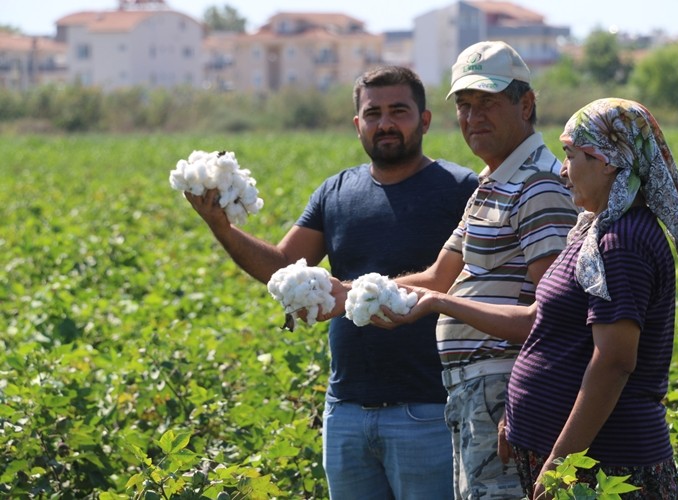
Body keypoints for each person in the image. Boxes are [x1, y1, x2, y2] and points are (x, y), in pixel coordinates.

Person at [380, 98, 678, 499]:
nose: (562, 170)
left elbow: (614, 362)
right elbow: (539, 322)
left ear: (606, 160)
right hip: (562, 455)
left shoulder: (623, 241)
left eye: (570, 155)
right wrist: (440, 302)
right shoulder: (591, 233)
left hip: (606, 465)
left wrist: (562, 461)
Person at [183, 66, 478, 500]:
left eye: (399, 111)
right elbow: (282, 265)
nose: (385, 123)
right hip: (346, 411)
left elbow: (455, 281)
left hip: (428, 409)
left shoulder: (459, 189)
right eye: (373, 113)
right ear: (358, 124)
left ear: (426, 120)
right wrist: (222, 227)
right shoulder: (336, 192)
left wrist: (346, 293)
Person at [366, 41, 579, 499]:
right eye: (464, 104)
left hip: (505, 392)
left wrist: (525, 403)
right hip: (474, 395)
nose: (473, 116)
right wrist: (345, 294)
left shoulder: (538, 185)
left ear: (526, 105)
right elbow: (437, 278)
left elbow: (554, 318)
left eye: (488, 102)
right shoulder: (493, 184)